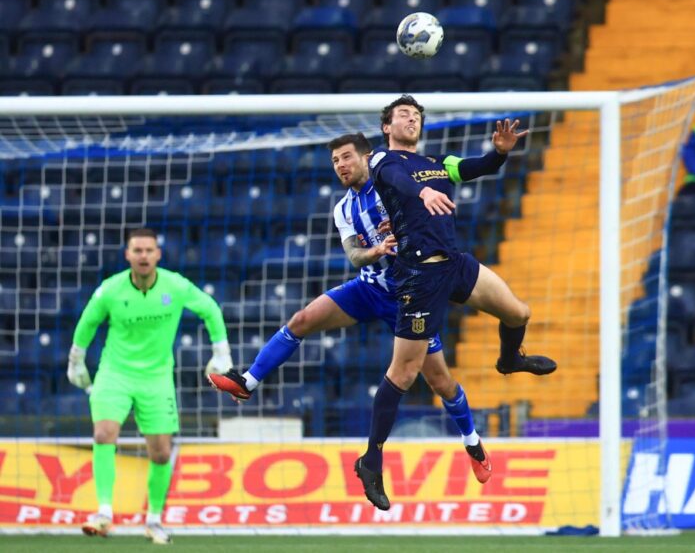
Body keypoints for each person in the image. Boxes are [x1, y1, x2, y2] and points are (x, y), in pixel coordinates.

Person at [207, 133, 493, 495]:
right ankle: (247, 382)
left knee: (441, 383)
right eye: (335, 161)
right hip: (369, 288)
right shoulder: (343, 208)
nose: (341, 166)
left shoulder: (395, 186)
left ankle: (472, 442)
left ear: (366, 158)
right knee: (302, 319)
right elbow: (354, 255)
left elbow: (430, 222)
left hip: (411, 295)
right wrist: (373, 251)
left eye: (346, 157)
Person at [354, 95, 557, 510]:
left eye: (416, 116)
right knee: (405, 372)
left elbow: (476, 168)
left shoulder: (438, 163)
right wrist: (422, 192)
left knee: (519, 312)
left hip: (456, 264)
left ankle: (509, 360)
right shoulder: (381, 161)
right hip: (420, 275)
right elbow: (397, 181)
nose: (411, 119)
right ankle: (371, 460)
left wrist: (498, 154)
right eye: (403, 115)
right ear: (387, 127)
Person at [67, 228, 233, 544]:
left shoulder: (175, 285)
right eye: (137, 250)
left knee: (160, 453)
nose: (143, 256)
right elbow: (87, 323)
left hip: (156, 379)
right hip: (114, 374)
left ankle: (154, 521)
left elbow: (210, 308)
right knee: (103, 434)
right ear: (127, 255)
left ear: (158, 254)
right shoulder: (110, 290)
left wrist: (221, 351)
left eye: (149, 250)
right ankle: (103, 513)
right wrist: (76, 359)